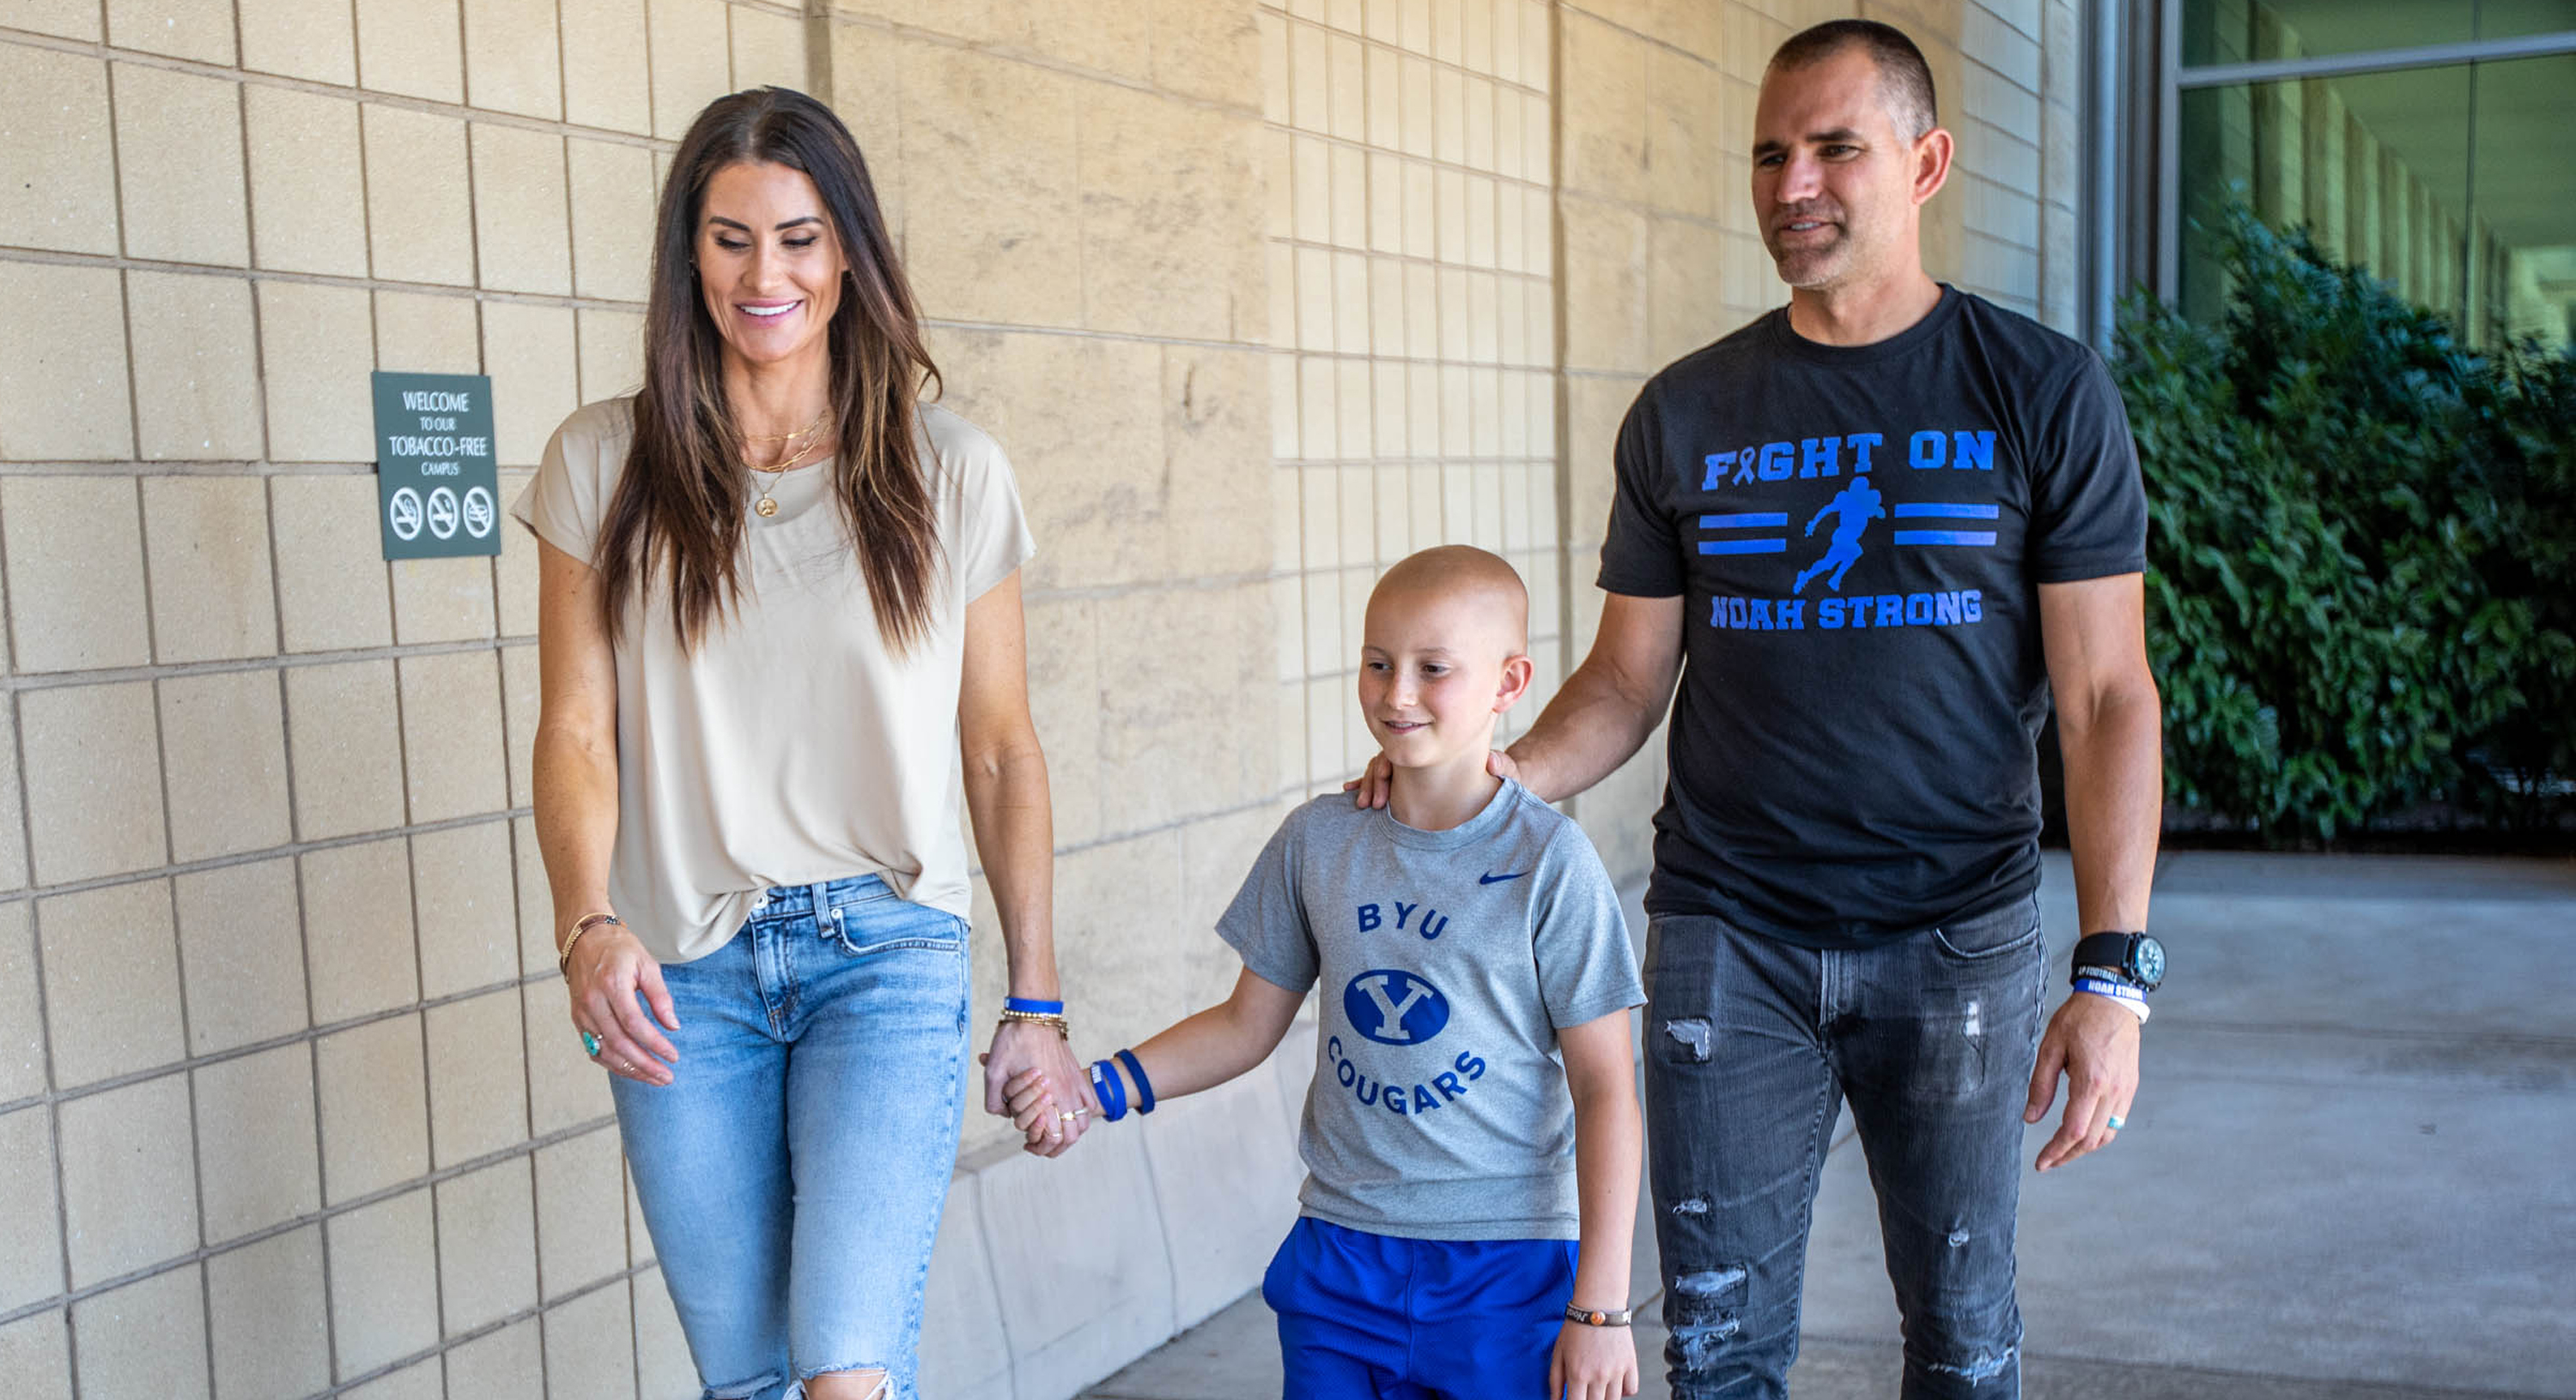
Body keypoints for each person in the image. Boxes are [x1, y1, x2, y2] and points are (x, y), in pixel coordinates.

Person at [1356, 20, 2165, 1399]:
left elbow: (2102, 697)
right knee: (1718, 1348)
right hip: (1731, 936)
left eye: (1836, 148)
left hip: (1958, 932)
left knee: (1966, 1342)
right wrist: (1490, 782)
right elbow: (1623, 681)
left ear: (1926, 162)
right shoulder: (1687, 412)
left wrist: (2112, 972)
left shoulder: (2039, 390)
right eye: (1771, 153)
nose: (1794, 183)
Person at [515, 88, 1091, 1400]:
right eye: (729, 239)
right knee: (754, 1380)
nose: (763, 273)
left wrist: (1038, 998)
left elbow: (1000, 748)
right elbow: (576, 729)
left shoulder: (949, 470)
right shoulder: (600, 464)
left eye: (799, 237)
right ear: (687, 254)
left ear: (849, 256)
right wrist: (584, 922)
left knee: (845, 1371)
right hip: (678, 978)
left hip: (883, 956)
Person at [1014, 547, 1646, 1400]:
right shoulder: (1319, 842)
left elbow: (1606, 1086)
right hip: (1342, 1260)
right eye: (1378, 663)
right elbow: (1245, 1024)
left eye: (1434, 669)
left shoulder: (1553, 864)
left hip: (1508, 1268)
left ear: (1509, 681)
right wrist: (1097, 1087)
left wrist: (1601, 1307)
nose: (1397, 694)